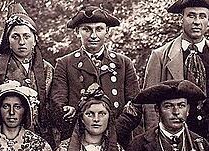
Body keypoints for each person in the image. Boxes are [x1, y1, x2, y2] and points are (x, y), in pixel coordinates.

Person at [143, 0, 209, 144]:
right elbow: (149, 102)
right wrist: (155, 139)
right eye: (191, 15)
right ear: (181, 18)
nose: (197, 21)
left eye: (202, 16)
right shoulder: (160, 56)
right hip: (176, 134)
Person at [49, 5, 140, 141]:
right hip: (77, 138)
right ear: (77, 32)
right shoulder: (65, 63)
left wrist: (115, 132)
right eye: (86, 29)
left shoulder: (124, 63)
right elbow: (57, 104)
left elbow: (136, 104)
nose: (93, 35)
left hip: (117, 139)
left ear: (107, 31)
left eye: (99, 29)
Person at [0, 2, 54, 143]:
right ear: (8, 40)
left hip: (40, 134)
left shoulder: (47, 69)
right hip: (4, 134)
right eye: (16, 37)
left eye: (26, 36)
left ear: (35, 40)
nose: (21, 42)